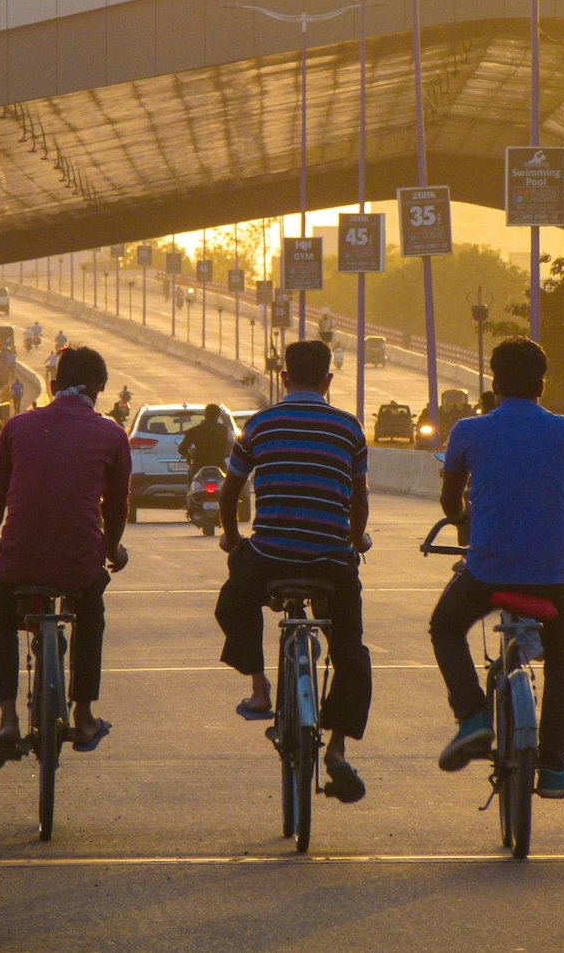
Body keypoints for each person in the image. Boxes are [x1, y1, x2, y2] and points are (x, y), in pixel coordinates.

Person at [430, 336, 564, 799]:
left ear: (494, 383)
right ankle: (555, 764)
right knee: (563, 657)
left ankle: (473, 717)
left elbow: (449, 500)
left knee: (444, 627)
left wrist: (466, 518)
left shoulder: (468, 431)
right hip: (553, 577)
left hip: (487, 573)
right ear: (542, 384)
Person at [216, 339, 372, 804]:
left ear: (283, 379)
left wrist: (231, 537)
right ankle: (338, 749)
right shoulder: (350, 428)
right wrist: (354, 538)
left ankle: (261, 689)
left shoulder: (259, 426)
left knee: (234, 601)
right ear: (329, 380)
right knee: (349, 646)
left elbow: (229, 494)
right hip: (330, 559)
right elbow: (358, 498)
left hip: (269, 557)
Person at [0, 346, 131, 771]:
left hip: (19, 560)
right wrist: (112, 549)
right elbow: (116, 508)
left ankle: (7, 719)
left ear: (55, 386)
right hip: (79, 564)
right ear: (100, 389)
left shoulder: (18, 426)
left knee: (0, 617)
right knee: (90, 614)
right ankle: (83, 716)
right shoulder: (112, 434)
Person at [178, 403, 231, 484]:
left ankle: (190, 496)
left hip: (199, 465)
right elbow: (232, 445)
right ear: (218, 415)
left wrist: (189, 456)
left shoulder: (194, 430)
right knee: (228, 483)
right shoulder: (225, 430)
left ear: (205, 415)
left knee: (192, 483)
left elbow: (181, 449)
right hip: (219, 464)